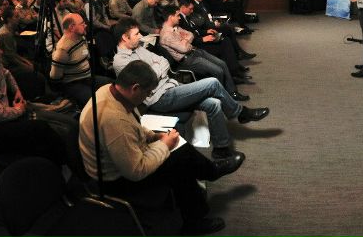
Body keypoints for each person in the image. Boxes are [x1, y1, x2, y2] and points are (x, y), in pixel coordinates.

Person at [79, 60, 244, 235]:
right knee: (180, 162)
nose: (146, 98)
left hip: (119, 160)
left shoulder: (110, 91)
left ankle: (208, 174)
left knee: (179, 151)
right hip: (114, 181)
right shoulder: (114, 121)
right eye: (147, 93)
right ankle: (196, 215)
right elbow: (135, 171)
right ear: (135, 88)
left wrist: (153, 136)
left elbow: (133, 126)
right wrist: (164, 145)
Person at [112, 18, 268, 159]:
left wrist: (155, 69)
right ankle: (240, 113)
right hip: (159, 98)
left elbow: (164, 61)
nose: (140, 36)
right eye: (136, 34)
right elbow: (148, 79)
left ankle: (221, 149)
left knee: (214, 104)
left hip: (170, 87)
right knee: (212, 83)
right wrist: (156, 69)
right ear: (125, 37)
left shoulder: (138, 49)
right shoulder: (120, 61)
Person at [0, 33, 67, 166]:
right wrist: (20, 110)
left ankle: (51, 163)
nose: (1, 52)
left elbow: (7, 74)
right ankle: (61, 164)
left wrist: (17, 91)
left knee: (41, 129)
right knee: (40, 129)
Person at [159, 8, 248, 101]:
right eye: (177, 15)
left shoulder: (175, 27)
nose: (179, 18)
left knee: (222, 63)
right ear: (171, 17)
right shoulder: (166, 35)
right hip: (186, 60)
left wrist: (185, 40)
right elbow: (184, 48)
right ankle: (223, 97)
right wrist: (186, 40)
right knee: (218, 71)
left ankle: (232, 92)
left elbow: (191, 34)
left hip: (194, 52)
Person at [49, 13, 112, 107]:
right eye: (82, 23)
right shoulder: (62, 50)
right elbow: (55, 77)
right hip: (73, 83)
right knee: (95, 102)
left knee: (112, 85)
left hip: (87, 78)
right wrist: (65, 93)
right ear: (72, 27)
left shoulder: (81, 37)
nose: (85, 25)